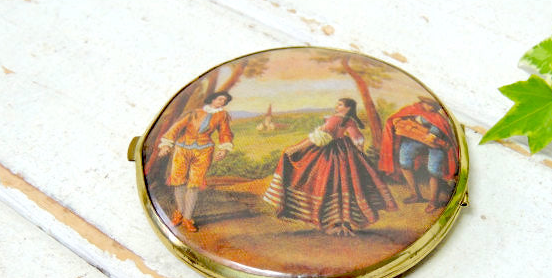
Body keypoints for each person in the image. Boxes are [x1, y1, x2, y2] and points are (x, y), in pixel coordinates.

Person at [263, 98, 397, 236]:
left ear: (348, 108)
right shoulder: (350, 121)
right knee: (345, 187)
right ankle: (344, 224)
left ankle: (334, 225)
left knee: (327, 185)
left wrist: (296, 149)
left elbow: (319, 138)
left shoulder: (334, 119)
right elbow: (357, 139)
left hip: (329, 156)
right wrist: (359, 154)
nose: (336, 106)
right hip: (347, 155)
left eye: (340, 104)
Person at [157, 91, 234, 233]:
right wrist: (166, 144)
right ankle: (179, 212)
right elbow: (177, 127)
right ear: (212, 99)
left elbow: (225, 132)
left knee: (194, 184)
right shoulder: (194, 113)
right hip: (182, 148)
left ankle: (188, 218)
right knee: (178, 181)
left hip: (204, 151)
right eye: (220, 99)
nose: (222, 102)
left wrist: (224, 149)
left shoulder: (222, 115)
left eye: (224, 100)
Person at [378, 96, 458, 213]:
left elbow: (439, 127)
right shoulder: (413, 109)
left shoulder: (438, 117)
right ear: (423, 103)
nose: (432, 108)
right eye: (429, 105)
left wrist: (433, 134)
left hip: (437, 142)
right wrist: (399, 121)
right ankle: (415, 194)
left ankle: (434, 201)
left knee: (434, 170)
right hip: (416, 137)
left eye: (434, 106)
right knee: (404, 160)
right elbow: (399, 119)